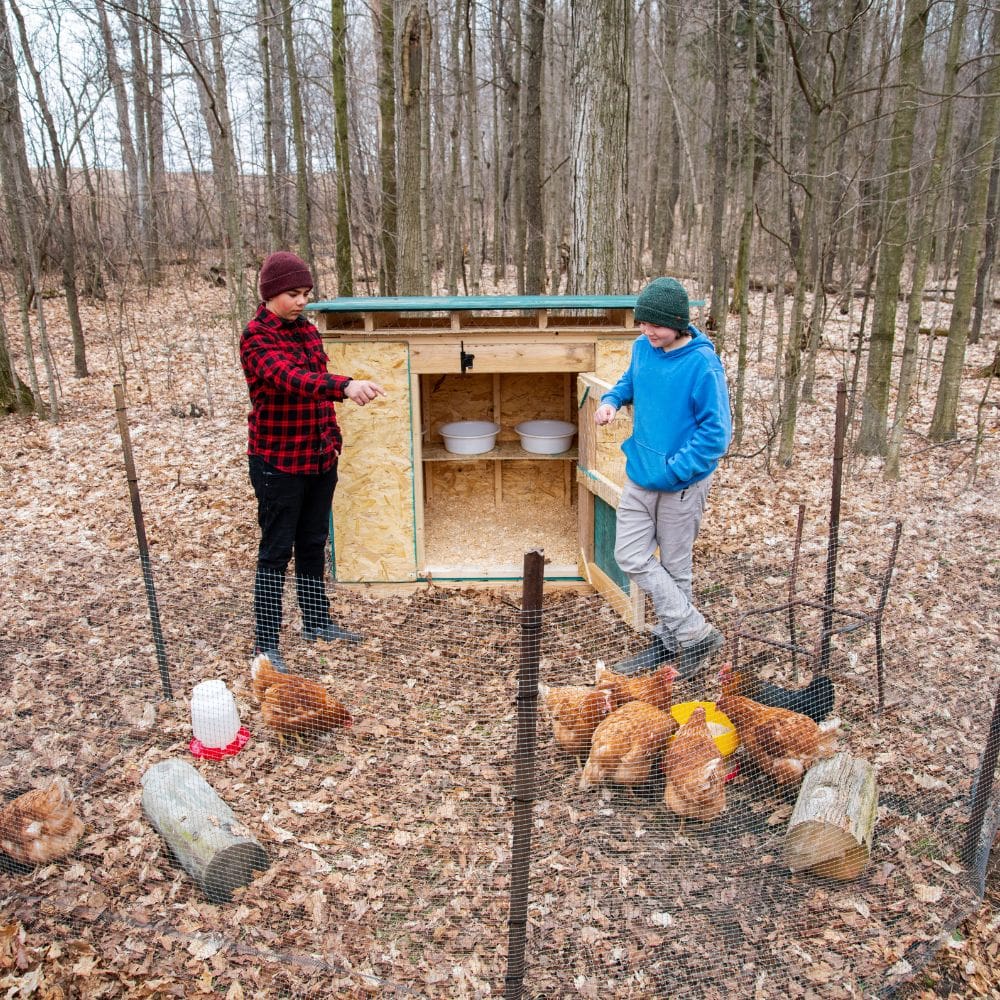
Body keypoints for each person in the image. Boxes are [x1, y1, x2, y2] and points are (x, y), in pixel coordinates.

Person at [240, 251, 386, 671]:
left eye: (306, 293)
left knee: (312, 543)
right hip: (278, 462)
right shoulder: (256, 337)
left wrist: (333, 438)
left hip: (319, 456)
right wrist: (345, 386)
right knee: (275, 551)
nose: (302, 301)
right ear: (270, 294)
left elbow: (315, 386)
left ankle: (316, 621)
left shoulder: (306, 331)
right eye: (293, 294)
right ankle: (266, 643)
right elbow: (293, 380)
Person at [594, 276, 731, 679]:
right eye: (641, 323)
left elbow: (716, 434)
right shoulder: (643, 348)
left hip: (682, 483)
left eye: (653, 325)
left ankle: (671, 646)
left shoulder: (702, 364)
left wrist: (675, 470)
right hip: (641, 473)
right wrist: (611, 401)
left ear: (678, 323)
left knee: (674, 567)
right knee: (630, 556)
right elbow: (629, 382)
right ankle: (695, 634)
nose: (645, 331)